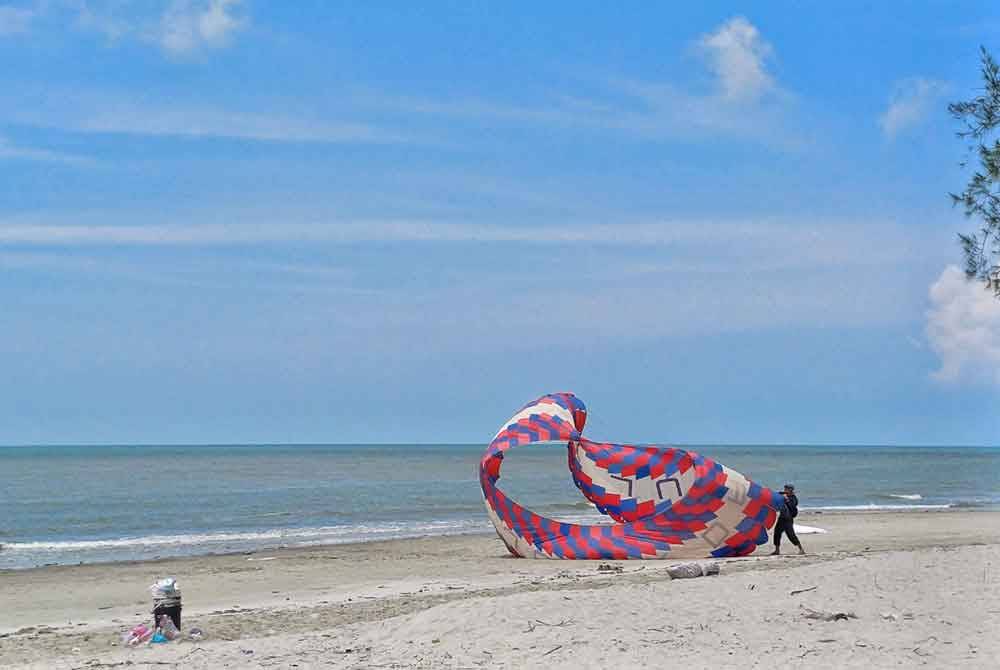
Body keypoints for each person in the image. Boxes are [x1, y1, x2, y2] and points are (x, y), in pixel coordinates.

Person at [770, 483, 805, 555]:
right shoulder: (782, 494)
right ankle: (777, 550)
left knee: (791, 535)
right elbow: (774, 495)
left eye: (787, 489)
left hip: (788, 519)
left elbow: (793, 506)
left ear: (791, 490)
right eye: (785, 488)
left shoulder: (793, 498)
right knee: (777, 533)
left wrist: (787, 500)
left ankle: (801, 549)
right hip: (781, 518)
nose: (785, 490)